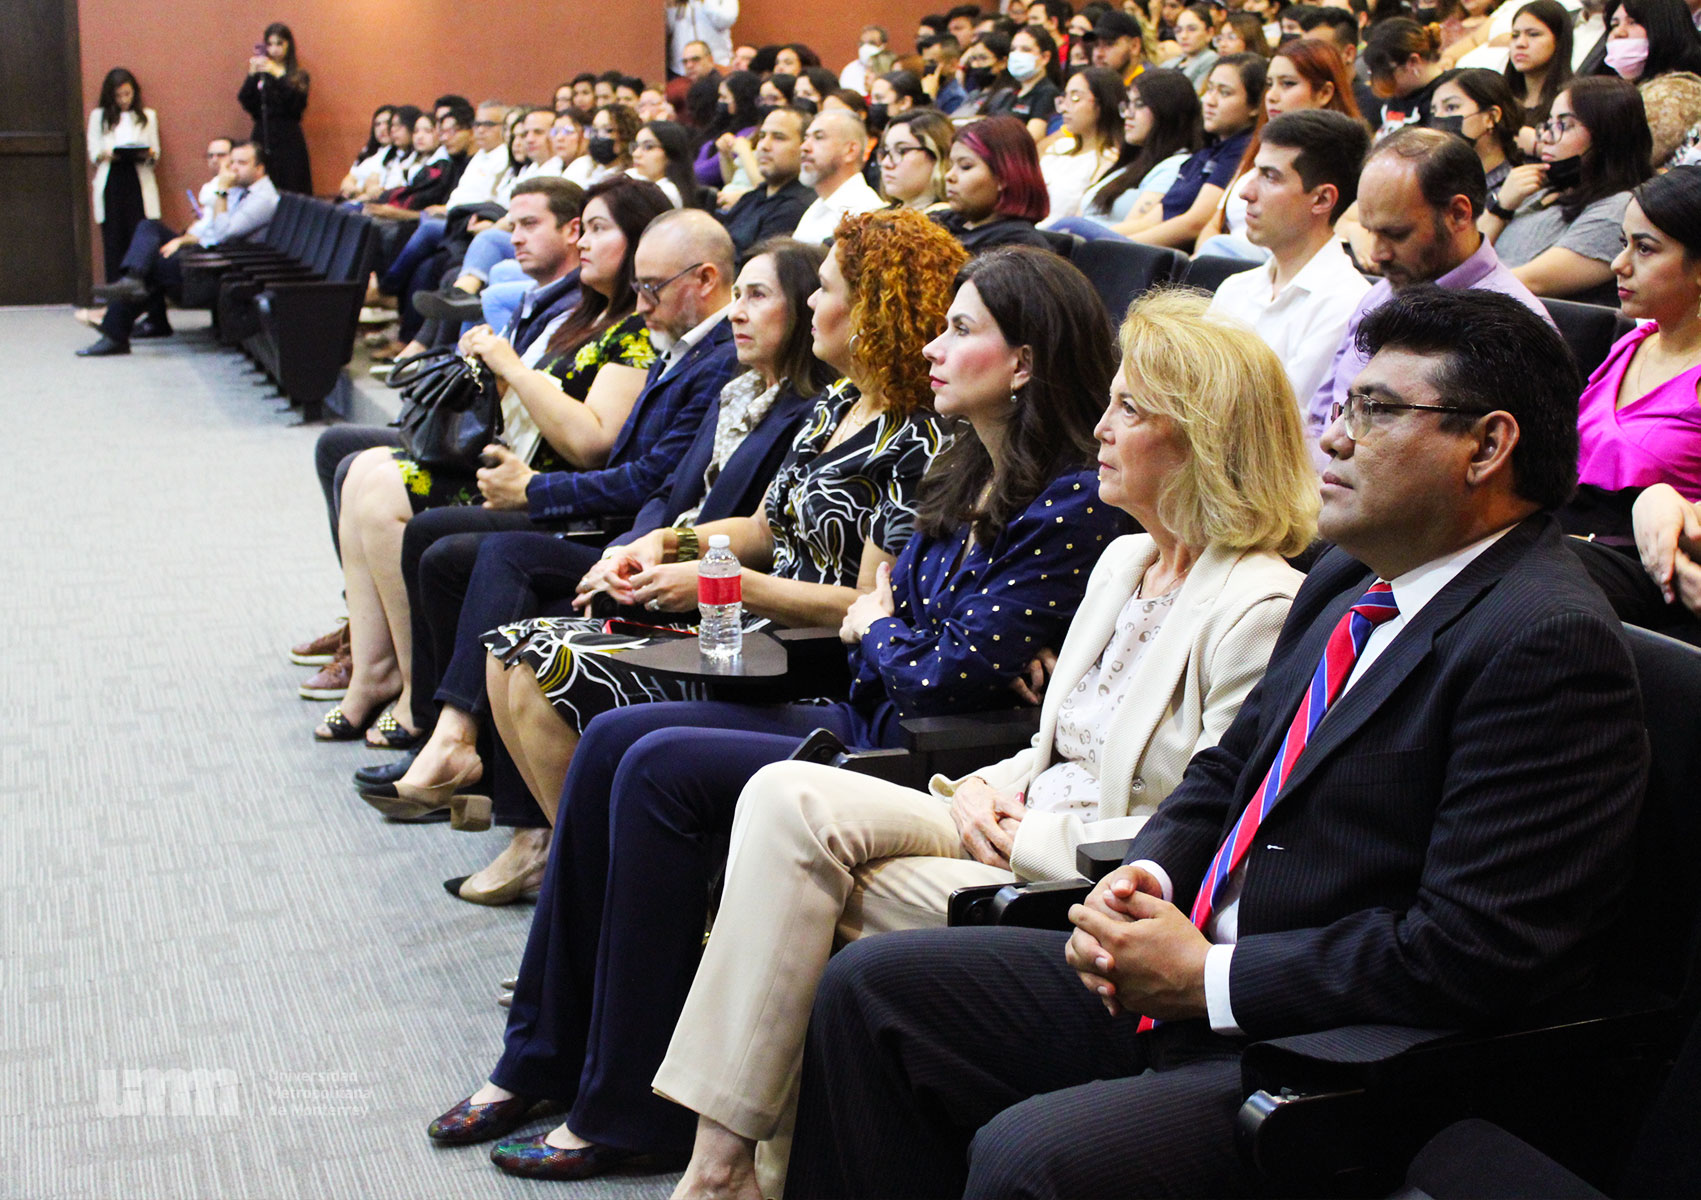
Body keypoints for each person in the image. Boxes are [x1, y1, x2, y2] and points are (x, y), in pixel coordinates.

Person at [782, 283, 1648, 1200]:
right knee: (873, 990)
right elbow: (1229, 769)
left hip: (1322, 1049)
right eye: (1345, 403)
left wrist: (1208, 979)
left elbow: (1469, 953)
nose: (1336, 438)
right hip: (1193, 973)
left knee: (1032, 1155)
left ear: (1488, 446)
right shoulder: (1352, 577)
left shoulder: (1544, 640)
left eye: (1378, 409)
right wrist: (1145, 877)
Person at [425, 236, 1136, 1182]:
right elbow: (908, 626)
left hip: (905, 743)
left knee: (648, 762)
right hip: (849, 694)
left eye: (961, 331)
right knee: (612, 743)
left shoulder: (1064, 501)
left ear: (1023, 362)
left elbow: (923, 658)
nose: (933, 346)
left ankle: (629, 1109)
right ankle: (542, 1055)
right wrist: (883, 626)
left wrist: (881, 628)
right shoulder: (962, 460)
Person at [658, 285, 1319, 1200]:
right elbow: (1051, 746)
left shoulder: (1258, 606)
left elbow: (1204, 824)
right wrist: (971, 791)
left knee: (816, 913)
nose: (1099, 428)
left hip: (1074, 872)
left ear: (1199, 438)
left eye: (1129, 409)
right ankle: (727, 1164)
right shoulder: (1124, 559)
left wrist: (1022, 836)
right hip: (1001, 811)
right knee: (780, 794)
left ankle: (736, 1167)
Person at [370, 239, 825, 872]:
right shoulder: (737, 386)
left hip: (717, 597)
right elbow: (668, 493)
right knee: (479, 591)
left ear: (805, 310)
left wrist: (646, 549)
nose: (738, 313)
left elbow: (752, 530)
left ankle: (534, 835)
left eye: (757, 296)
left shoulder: (807, 408)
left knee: (510, 603)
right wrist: (626, 548)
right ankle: (492, 788)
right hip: (658, 551)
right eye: (739, 294)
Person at [314, 177, 672, 745]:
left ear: (640, 246)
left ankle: (409, 687)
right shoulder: (580, 312)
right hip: (512, 461)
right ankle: (374, 666)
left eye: (598, 229)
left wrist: (510, 367)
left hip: (551, 487)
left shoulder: (634, 334)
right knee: (359, 470)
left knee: (382, 489)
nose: (582, 241)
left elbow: (591, 444)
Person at [1308, 128, 1551, 453]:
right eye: (1369, 231)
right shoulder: (1384, 291)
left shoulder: (1517, 332)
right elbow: (1321, 413)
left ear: (1459, 214)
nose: (1377, 254)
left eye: (1396, 233)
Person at [1564, 167, 1701, 543]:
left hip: (1639, 576)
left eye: (1644, 248)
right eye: (1623, 243)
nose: (1618, 265)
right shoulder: (1632, 342)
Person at [1210, 111, 1374, 406]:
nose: (1246, 192)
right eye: (1254, 172)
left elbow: (1276, 423)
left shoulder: (1346, 304)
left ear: (1322, 200)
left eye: (1270, 177)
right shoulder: (1234, 288)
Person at [79, 142, 278, 357]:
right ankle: (132, 280)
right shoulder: (240, 189)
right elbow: (207, 227)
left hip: (223, 268)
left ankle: (116, 330)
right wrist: (183, 240)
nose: (233, 168)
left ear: (259, 169)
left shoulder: (263, 199)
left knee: (152, 265)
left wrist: (221, 191)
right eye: (233, 162)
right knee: (149, 226)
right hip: (206, 252)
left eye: (242, 163)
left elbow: (222, 234)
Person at [1483, 76, 1653, 303]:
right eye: (1549, 124)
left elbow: (1530, 282)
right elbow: (1463, 258)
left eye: (1564, 125)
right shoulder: (1539, 187)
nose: (1545, 138)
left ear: (1607, 134)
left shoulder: (1620, 208)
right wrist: (1500, 206)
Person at [1194, 38, 1362, 260]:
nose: (1272, 96)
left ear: (1324, 93)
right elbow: (1213, 224)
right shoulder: (1259, 147)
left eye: (1288, 84)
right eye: (1269, 84)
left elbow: (1344, 221)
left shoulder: (1348, 160)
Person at [1047, 70, 1205, 241]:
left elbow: (1139, 229)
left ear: (1167, 109)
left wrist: (1076, 234)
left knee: (1068, 226)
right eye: (1128, 105)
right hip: (1086, 245)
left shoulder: (1176, 165)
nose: (1128, 114)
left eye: (1139, 104)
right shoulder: (1129, 164)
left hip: (1106, 250)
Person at [1129, 54, 1264, 247]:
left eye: (1224, 93)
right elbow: (1152, 219)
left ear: (1255, 106)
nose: (1210, 100)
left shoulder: (1240, 151)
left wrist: (1113, 246)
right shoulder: (1206, 151)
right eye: (1209, 89)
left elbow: (1194, 223)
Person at [934, 116, 1054, 250]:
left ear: (1003, 176)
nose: (949, 176)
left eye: (965, 166)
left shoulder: (1020, 249)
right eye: (951, 165)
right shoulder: (942, 223)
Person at [87, 68, 160, 284]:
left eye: (128, 94)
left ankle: (142, 288)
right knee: (114, 237)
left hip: (137, 177)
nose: (124, 100)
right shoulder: (99, 117)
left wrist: (147, 154)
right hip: (113, 178)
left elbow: (155, 152)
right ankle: (115, 290)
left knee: (139, 233)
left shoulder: (147, 116)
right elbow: (93, 153)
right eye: (118, 96)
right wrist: (106, 153)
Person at [716, 107, 814, 255]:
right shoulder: (753, 196)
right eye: (762, 136)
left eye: (778, 137)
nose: (763, 145)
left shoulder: (795, 207)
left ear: (804, 147)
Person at [1038, 68, 1127, 225]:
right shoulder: (1058, 147)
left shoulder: (1111, 159)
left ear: (1103, 102)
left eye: (1075, 98)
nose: (1064, 108)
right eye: (1064, 98)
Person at [790, 110, 884, 243]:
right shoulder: (817, 206)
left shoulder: (864, 214)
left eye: (819, 137)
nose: (804, 147)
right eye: (806, 138)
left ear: (850, 151)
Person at [238, 22, 311, 194]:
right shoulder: (263, 73)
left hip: (288, 136)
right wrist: (251, 75)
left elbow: (297, 104)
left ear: (288, 45)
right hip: (263, 133)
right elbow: (246, 101)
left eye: (279, 44)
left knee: (292, 186)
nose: (274, 49)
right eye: (270, 44)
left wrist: (278, 74)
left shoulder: (298, 75)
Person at [1430, 67, 1525, 194]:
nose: (1438, 117)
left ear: (1491, 117)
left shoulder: (1521, 190)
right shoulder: (1432, 186)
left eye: (1451, 107)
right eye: (1434, 111)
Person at [1504, 0, 1574, 151]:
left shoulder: (1573, 99)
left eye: (1533, 34)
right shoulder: (1500, 97)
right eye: (1515, 35)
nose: (1520, 43)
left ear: (1559, 41)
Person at [1364, 18, 1447, 137]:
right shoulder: (1394, 97)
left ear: (1413, 62)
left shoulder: (1445, 95)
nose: (1381, 82)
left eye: (1387, 74)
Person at [876, 110, 955, 212]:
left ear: (937, 155)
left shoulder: (950, 221)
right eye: (885, 152)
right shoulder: (876, 216)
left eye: (902, 151)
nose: (886, 163)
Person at [1603, 0, 1701, 82]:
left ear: (1664, 28)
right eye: (1615, 25)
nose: (1618, 32)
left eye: (1632, 23)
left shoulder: (1673, 92)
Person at [1007, 25, 1063, 138]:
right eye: (1013, 49)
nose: (1017, 55)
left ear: (1045, 57)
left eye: (1026, 49)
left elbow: (1033, 137)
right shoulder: (1007, 92)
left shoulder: (1047, 93)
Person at [628, 120, 696, 208]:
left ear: (671, 154)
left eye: (649, 147)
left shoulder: (668, 193)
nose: (636, 154)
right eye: (636, 146)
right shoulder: (632, 178)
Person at [668, 2, 738, 77]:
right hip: (681, 69)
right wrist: (672, 7)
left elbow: (725, 20)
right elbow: (667, 29)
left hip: (717, 65)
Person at [1162, 4, 1223, 87]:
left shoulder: (1211, 60)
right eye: (1178, 30)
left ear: (1209, 33)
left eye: (1192, 29)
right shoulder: (1170, 63)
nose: (1183, 36)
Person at [1087, 10, 1153, 83]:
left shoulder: (1152, 86)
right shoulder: (1093, 86)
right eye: (1096, 45)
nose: (1098, 54)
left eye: (1109, 44)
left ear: (1134, 46)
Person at [839, 24, 896, 92]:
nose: (865, 47)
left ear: (884, 45)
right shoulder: (849, 70)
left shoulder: (894, 67)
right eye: (862, 44)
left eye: (872, 43)